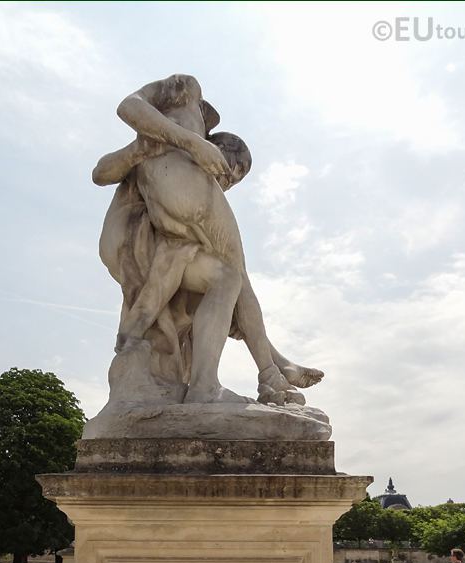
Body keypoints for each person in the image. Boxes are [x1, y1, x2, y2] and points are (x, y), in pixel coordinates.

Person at [93, 74, 323, 404]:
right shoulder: (181, 104)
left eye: (228, 182)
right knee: (233, 272)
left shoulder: (165, 158)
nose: (222, 183)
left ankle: (268, 369)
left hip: (162, 251)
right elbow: (103, 165)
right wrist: (186, 143)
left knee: (228, 278)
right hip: (133, 242)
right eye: (223, 174)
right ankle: (255, 374)